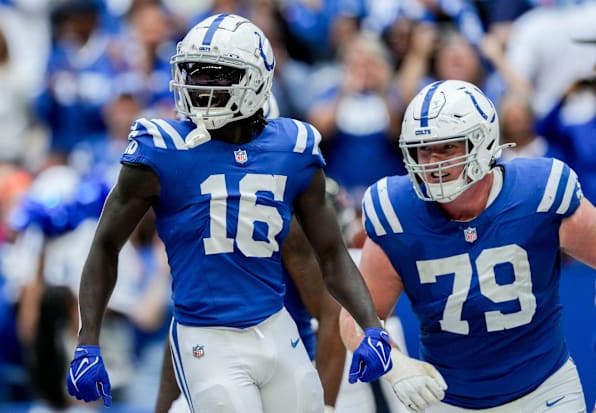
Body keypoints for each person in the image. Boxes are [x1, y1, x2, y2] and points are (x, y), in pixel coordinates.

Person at [65, 13, 392, 413]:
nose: (198, 85)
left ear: (255, 82)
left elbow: (331, 255)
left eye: (216, 75)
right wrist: (87, 340)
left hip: (276, 329)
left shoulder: (293, 150)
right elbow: (104, 246)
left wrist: (371, 326)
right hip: (206, 336)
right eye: (193, 73)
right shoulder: (161, 151)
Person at [340, 79, 591, 412]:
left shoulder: (538, 193)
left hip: (546, 391)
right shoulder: (398, 212)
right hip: (451, 401)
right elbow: (356, 315)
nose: (432, 162)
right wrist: (393, 362)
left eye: (447, 147)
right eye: (423, 149)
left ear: (482, 141)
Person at [156, 217, 346, 413]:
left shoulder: (279, 218)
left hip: (285, 373)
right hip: (217, 371)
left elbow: (331, 313)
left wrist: (327, 406)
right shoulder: (199, 227)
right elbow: (185, 323)